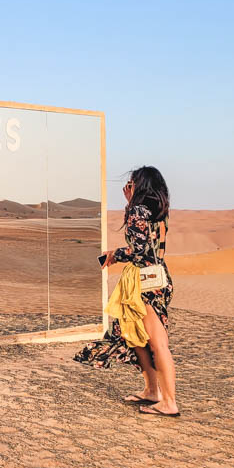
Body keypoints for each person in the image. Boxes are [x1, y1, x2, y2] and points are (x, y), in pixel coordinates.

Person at [73, 166, 179, 417]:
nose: (127, 186)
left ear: (140, 185)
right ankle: (152, 391)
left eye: (132, 182)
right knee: (136, 337)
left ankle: (169, 402)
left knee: (157, 342)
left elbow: (139, 251)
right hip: (159, 278)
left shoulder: (138, 211)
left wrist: (114, 255)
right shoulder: (158, 210)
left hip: (144, 284)